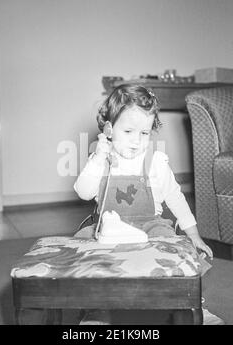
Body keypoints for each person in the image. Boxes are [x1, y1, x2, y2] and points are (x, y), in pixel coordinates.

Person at [73, 84, 218, 325]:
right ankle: (95, 309)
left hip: (149, 225)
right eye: (128, 131)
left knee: (177, 252)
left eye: (144, 133)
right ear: (109, 128)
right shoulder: (100, 159)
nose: (136, 141)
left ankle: (193, 303)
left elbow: (175, 197)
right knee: (84, 251)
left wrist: (193, 234)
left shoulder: (156, 161)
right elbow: (83, 192)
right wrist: (98, 157)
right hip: (107, 227)